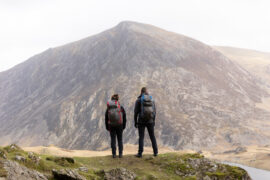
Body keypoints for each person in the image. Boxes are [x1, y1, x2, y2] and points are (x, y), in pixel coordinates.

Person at [134, 87, 158, 158]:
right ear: (147, 91)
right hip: (150, 121)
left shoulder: (138, 100)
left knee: (141, 137)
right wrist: (153, 120)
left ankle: (140, 153)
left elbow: (135, 112)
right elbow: (154, 111)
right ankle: (155, 152)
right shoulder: (152, 99)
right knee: (152, 136)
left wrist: (135, 122)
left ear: (141, 92)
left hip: (141, 121)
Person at [105, 94, 126, 158]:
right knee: (120, 139)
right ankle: (120, 154)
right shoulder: (120, 107)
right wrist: (123, 126)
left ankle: (114, 154)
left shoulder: (108, 108)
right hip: (120, 125)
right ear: (117, 99)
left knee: (113, 139)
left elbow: (106, 118)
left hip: (111, 125)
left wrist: (107, 127)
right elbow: (124, 117)